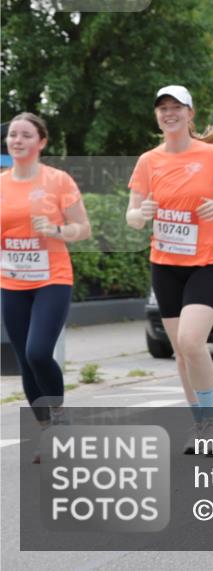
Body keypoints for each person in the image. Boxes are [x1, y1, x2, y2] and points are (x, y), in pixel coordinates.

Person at [127, 86, 213, 453]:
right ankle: (200, 426)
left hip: (205, 263)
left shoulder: (212, 155)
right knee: (180, 351)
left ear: (190, 113)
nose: (169, 114)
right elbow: (133, 214)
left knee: (191, 341)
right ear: (157, 116)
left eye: (176, 108)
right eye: (162, 108)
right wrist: (142, 215)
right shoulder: (148, 161)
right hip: (165, 264)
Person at [1, 113, 92, 457]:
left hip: (52, 278)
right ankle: (47, 433)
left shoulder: (58, 180)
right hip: (11, 281)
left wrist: (55, 230)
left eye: (26, 135)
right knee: (24, 361)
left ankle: (59, 417)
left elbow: (82, 228)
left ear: (41, 142)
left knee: (38, 351)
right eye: (13, 135)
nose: (18, 140)